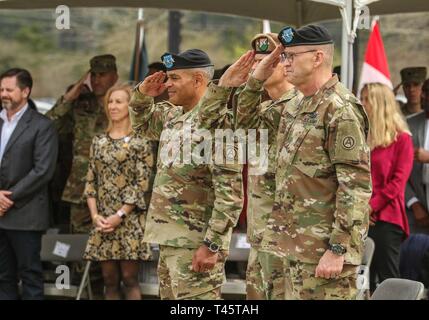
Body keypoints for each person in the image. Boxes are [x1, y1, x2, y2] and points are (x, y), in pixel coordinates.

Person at [252, 24, 371, 299]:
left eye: (291, 56)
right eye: (284, 56)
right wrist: (256, 78)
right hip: (294, 249)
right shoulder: (296, 105)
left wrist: (337, 249)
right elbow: (242, 118)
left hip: (324, 255)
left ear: (317, 58)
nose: (285, 63)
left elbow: (355, 187)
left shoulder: (339, 109)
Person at [129, 49, 243, 300]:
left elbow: (230, 194)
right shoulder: (173, 114)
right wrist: (142, 96)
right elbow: (142, 127)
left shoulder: (217, 123)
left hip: (196, 242)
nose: (168, 85)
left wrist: (211, 245)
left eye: (175, 78)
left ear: (199, 80)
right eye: (167, 78)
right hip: (170, 238)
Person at [216, 33, 300, 300]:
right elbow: (229, 126)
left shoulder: (301, 108)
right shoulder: (262, 108)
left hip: (289, 239)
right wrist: (228, 85)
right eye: (257, 61)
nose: (258, 66)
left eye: (268, 60)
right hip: (260, 237)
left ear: (286, 63)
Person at [83, 84, 156, 300]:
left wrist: (120, 215)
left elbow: (141, 183)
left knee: (129, 278)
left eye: (118, 101)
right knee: (109, 280)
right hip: (103, 221)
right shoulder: (98, 141)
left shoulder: (140, 141)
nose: (113, 106)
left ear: (130, 105)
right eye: (110, 101)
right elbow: (90, 181)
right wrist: (96, 216)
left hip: (129, 220)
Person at [0, 68, 58, 299]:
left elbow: (43, 171)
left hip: (26, 214)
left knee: (30, 275)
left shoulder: (42, 125)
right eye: (1, 89)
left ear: (25, 91)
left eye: (9, 89)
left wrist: (8, 198)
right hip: (0, 214)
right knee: (3, 277)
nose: (3, 94)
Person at [46, 54, 118, 234]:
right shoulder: (79, 105)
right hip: (80, 186)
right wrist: (70, 97)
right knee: (79, 244)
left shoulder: (123, 104)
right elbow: (47, 127)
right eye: (93, 75)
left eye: (103, 74)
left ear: (114, 77)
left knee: (110, 245)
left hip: (113, 186)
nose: (97, 79)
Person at [360, 82, 414, 292]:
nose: (362, 103)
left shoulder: (402, 140)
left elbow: (397, 183)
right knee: (361, 279)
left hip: (387, 218)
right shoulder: (362, 136)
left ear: (379, 103)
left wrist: (370, 206)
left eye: (366, 99)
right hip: (360, 215)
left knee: (387, 278)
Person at [405, 78, 429, 234]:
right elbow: (396, 170)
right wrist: (413, 203)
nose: (424, 97)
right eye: (425, 92)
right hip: (417, 212)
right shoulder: (407, 124)